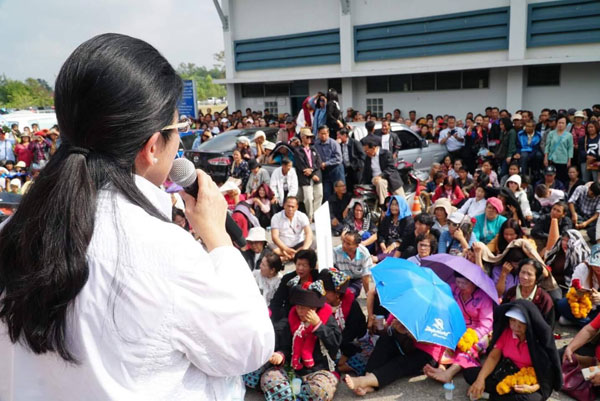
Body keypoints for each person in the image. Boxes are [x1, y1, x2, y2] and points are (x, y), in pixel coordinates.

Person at [0, 33, 274, 401]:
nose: (180, 143)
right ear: (151, 147)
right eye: (177, 131)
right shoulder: (163, 251)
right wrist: (219, 240)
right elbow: (249, 346)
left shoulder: (12, 233)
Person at [259, 280, 341, 401]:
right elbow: (286, 346)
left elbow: (335, 345)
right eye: (298, 307)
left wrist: (318, 326)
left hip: (319, 369)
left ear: (314, 308)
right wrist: (280, 355)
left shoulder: (327, 320)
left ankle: (295, 395)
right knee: (269, 379)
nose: (300, 311)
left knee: (320, 390)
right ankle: (290, 395)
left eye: (303, 308)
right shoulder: (292, 319)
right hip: (293, 368)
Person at [466, 301, 562, 401]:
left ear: (529, 323)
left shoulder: (538, 340)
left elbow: (547, 373)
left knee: (531, 399)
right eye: (512, 321)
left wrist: (533, 387)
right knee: (470, 374)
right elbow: (493, 357)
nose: (516, 326)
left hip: (527, 379)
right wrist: (480, 380)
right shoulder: (507, 332)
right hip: (506, 371)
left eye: (521, 323)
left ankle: (490, 396)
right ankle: (500, 395)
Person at [343, 317, 445, 396]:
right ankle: (368, 379)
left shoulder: (437, 314)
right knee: (385, 339)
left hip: (426, 352)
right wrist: (388, 327)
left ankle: (362, 381)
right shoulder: (405, 303)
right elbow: (387, 329)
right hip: (403, 344)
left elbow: (435, 341)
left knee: (400, 362)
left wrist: (409, 333)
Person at [424, 272, 494, 384]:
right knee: (443, 336)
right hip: (456, 325)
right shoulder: (453, 289)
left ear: (474, 283)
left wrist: (469, 337)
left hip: (477, 331)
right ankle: (442, 367)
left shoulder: (484, 298)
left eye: (465, 283)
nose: (460, 286)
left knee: (472, 346)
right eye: (458, 282)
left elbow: (486, 324)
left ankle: (450, 373)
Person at [319, 268, 369, 375]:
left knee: (368, 357)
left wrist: (345, 354)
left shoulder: (351, 305)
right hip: (333, 344)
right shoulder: (321, 304)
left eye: (326, 292)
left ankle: (343, 366)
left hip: (353, 342)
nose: (322, 294)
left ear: (337, 293)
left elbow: (354, 332)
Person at [269, 249, 320, 322]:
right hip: (290, 315)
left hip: (312, 316)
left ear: (311, 267)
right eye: (298, 264)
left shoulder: (317, 277)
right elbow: (277, 301)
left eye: (304, 265)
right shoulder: (288, 279)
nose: (300, 268)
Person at [502, 259, 555, 328]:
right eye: (522, 272)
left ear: (537, 278)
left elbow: (548, 327)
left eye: (529, 274)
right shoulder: (511, 293)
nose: (524, 277)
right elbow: (502, 319)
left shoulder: (544, 299)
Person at [557, 244, 600, 327]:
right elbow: (571, 291)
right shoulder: (582, 268)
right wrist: (579, 293)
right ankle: (591, 325)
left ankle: (583, 323)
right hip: (584, 305)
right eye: (596, 265)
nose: (598, 267)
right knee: (562, 304)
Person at [360, 135, 404, 209]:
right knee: (380, 182)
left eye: (367, 151)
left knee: (402, 200)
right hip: (376, 180)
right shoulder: (367, 158)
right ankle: (384, 207)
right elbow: (366, 173)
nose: (366, 153)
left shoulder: (386, 153)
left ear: (373, 148)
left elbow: (391, 167)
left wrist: (381, 175)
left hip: (391, 179)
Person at [270, 196, 313, 262]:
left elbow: (309, 233)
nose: (290, 209)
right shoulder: (276, 217)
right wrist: (285, 249)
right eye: (288, 206)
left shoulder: (302, 216)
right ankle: (295, 256)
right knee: (270, 246)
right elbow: (274, 237)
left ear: (297, 207)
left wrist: (304, 249)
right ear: (284, 206)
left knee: (313, 242)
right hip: (282, 247)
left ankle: (289, 257)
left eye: (292, 207)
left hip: (299, 245)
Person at [294, 128, 323, 221]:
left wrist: (312, 170)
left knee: (319, 195)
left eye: (311, 137)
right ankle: (310, 216)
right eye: (308, 137)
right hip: (305, 178)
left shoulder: (313, 148)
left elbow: (319, 162)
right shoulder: (298, 150)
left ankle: (316, 215)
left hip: (316, 175)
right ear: (302, 138)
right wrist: (310, 174)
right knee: (308, 198)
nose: (310, 139)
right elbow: (301, 165)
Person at [333, 230, 373, 296]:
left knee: (350, 294)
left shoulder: (364, 253)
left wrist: (367, 294)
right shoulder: (336, 251)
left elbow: (365, 276)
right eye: (343, 241)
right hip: (341, 279)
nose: (344, 245)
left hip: (356, 280)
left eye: (348, 244)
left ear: (357, 246)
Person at [376, 195, 414, 261]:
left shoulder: (408, 220)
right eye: (392, 204)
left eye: (396, 205)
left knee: (378, 259)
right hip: (386, 246)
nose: (393, 207)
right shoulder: (387, 218)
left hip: (399, 247)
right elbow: (380, 233)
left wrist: (394, 244)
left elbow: (406, 237)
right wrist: (381, 242)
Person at [314, 125, 345, 202]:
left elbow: (339, 158)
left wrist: (326, 163)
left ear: (328, 133)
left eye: (325, 133)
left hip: (336, 170)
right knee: (326, 193)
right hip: (325, 171)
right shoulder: (316, 144)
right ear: (318, 133)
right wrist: (320, 164)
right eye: (321, 133)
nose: (323, 135)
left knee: (340, 192)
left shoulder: (334, 143)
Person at [544, 115, 573, 186]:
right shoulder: (551, 133)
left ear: (566, 124)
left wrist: (569, 160)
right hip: (552, 159)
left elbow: (570, 148)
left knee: (562, 178)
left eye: (563, 123)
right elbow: (547, 146)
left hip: (563, 160)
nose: (561, 124)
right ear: (556, 123)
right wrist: (545, 158)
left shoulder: (569, 135)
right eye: (559, 122)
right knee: (551, 177)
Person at [337, 128, 365, 193]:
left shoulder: (355, 142)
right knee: (349, 188)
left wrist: (360, 166)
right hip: (346, 169)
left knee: (357, 186)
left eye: (339, 135)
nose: (338, 137)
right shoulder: (339, 145)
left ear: (344, 135)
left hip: (356, 168)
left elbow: (363, 155)